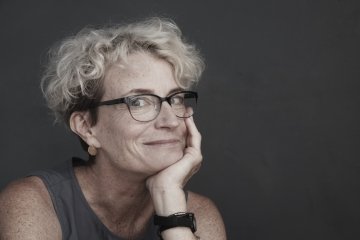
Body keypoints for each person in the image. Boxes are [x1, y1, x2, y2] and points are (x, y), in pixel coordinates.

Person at [0, 17, 226, 240]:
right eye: (138, 102)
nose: (171, 121)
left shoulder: (198, 213)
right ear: (87, 127)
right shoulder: (32, 203)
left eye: (175, 99)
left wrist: (173, 215)